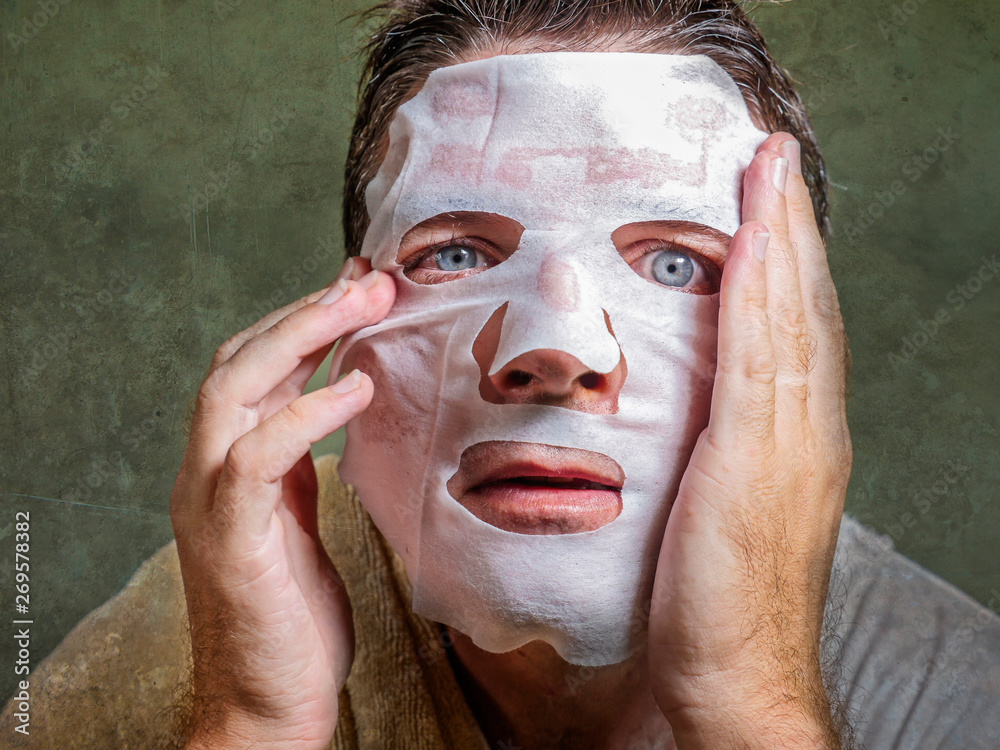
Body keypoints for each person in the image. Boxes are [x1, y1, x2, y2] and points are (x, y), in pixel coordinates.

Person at [3, 2, 999, 749]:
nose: (556, 351)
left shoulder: (956, 697)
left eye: (673, 264)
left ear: (795, 340)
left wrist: (750, 707)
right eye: (456, 254)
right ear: (351, 319)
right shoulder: (218, 616)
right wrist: (251, 722)